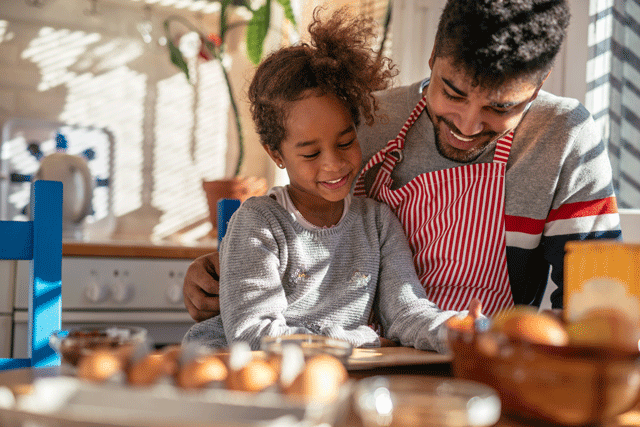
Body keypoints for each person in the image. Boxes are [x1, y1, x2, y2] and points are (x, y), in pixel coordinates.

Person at [183, 0, 621, 323]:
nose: (468, 125)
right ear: (433, 56)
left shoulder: (565, 137)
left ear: (540, 81)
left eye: (501, 108)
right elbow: (309, 241)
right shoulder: (360, 125)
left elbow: (598, 303)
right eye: (452, 92)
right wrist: (220, 274)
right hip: (360, 364)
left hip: (485, 367)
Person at [183, 7, 480, 352]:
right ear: (276, 154)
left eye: (345, 142)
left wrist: (455, 330)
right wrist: (359, 337)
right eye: (310, 154)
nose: (334, 164)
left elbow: (407, 312)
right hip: (229, 371)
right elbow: (253, 335)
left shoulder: (377, 224)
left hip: (325, 372)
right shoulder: (259, 224)